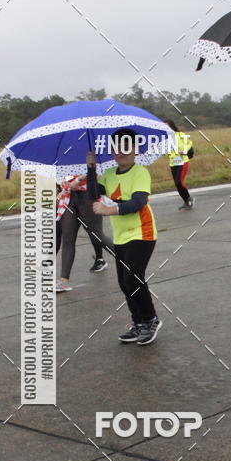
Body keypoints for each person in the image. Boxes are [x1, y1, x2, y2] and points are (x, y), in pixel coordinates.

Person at [87, 128, 161, 345]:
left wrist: (110, 210)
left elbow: (138, 203)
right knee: (123, 282)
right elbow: (93, 195)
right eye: (117, 147)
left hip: (142, 231)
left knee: (133, 278)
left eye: (127, 146)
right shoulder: (109, 174)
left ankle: (151, 320)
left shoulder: (140, 172)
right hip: (120, 236)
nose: (122, 151)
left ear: (135, 149)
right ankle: (138, 323)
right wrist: (91, 167)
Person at [55, 174, 107, 292]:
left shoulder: (87, 154)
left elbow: (95, 171)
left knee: (97, 236)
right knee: (68, 238)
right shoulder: (62, 156)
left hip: (88, 196)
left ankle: (124, 262)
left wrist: (78, 180)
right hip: (69, 197)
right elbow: (61, 173)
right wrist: (62, 185)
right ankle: (64, 280)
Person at [164, 119, 195, 209]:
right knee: (177, 185)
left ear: (171, 126)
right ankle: (186, 202)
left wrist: (184, 150)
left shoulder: (180, 134)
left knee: (179, 182)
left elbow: (189, 143)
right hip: (173, 162)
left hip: (183, 161)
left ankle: (190, 199)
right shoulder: (165, 138)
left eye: (167, 126)